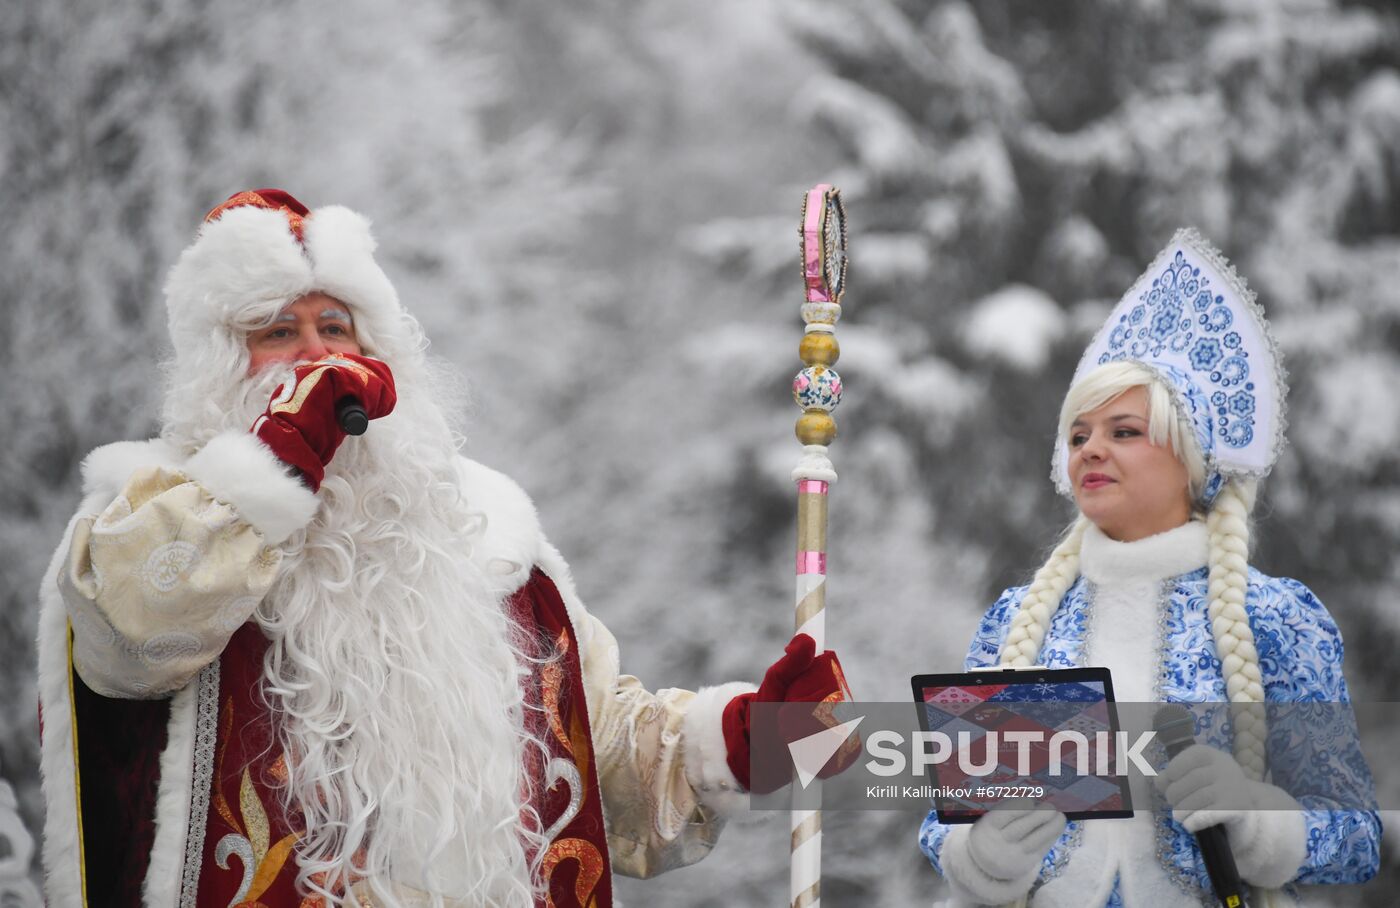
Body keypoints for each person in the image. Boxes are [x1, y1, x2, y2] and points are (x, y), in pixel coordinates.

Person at [36, 189, 851, 908]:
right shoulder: (150, 516)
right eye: (278, 331)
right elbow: (130, 636)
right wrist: (274, 463)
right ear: (222, 364)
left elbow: (600, 762)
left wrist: (752, 739)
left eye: (336, 328)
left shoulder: (486, 539)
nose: (318, 356)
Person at [917, 230, 1380, 907]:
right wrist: (986, 852)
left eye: (1123, 431)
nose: (1091, 450)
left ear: (1190, 457)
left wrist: (1253, 816)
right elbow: (939, 826)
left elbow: (1357, 838)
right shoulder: (1016, 618)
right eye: (1079, 435)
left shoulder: (1275, 617)